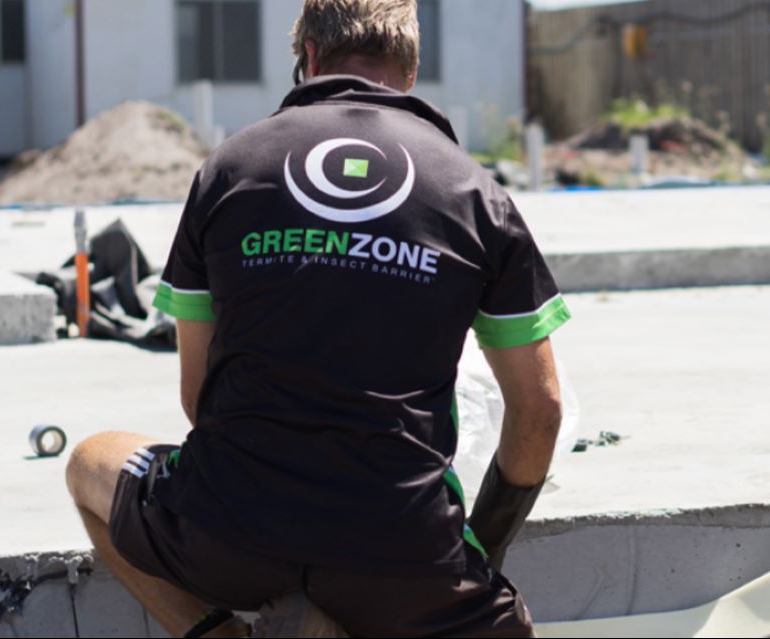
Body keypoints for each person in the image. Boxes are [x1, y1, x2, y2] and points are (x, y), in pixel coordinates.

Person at [65, 1, 570, 636]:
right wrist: (479, 552)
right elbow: (540, 411)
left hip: (226, 538)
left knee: (89, 461)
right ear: (411, 68)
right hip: (405, 557)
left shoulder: (228, 169)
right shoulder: (476, 193)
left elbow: (199, 397)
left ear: (307, 57)